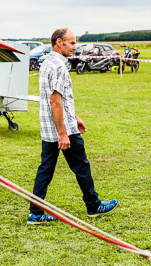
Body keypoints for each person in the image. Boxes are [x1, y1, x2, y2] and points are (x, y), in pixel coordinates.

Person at [28, 28, 118, 224]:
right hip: (62, 129)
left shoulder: (46, 62)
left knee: (46, 169)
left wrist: (75, 117)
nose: (75, 47)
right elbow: (55, 101)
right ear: (59, 42)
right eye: (71, 43)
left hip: (50, 127)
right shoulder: (59, 66)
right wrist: (63, 133)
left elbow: (59, 99)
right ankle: (94, 206)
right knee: (82, 166)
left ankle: (35, 213)